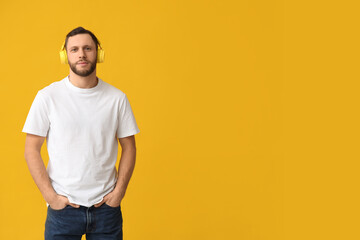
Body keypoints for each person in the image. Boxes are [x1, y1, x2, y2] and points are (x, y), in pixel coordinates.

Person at [22, 26, 140, 240]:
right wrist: (51, 197)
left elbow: (129, 147)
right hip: (63, 211)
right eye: (74, 49)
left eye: (88, 48)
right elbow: (31, 148)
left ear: (99, 53)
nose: (82, 54)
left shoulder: (117, 98)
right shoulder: (47, 97)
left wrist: (119, 192)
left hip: (106, 209)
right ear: (65, 55)